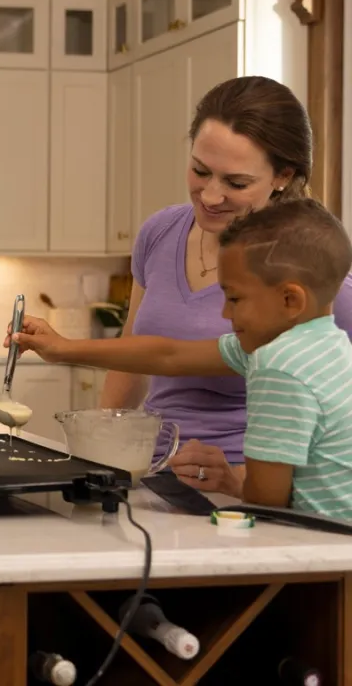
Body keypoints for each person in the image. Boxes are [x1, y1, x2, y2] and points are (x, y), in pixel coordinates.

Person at [8, 199, 352, 518]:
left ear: (291, 300)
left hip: (321, 545)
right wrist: (61, 347)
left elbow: (267, 499)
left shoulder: (277, 364)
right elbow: (168, 354)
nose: (224, 311)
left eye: (234, 298)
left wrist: (231, 480)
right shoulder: (329, 344)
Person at [99, 76, 352, 497]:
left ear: (282, 176)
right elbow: (135, 356)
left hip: (248, 497)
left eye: (235, 183)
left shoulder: (315, 278)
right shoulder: (159, 234)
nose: (211, 196)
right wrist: (99, 451)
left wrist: (239, 480)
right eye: (200, 171)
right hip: (152, 481)